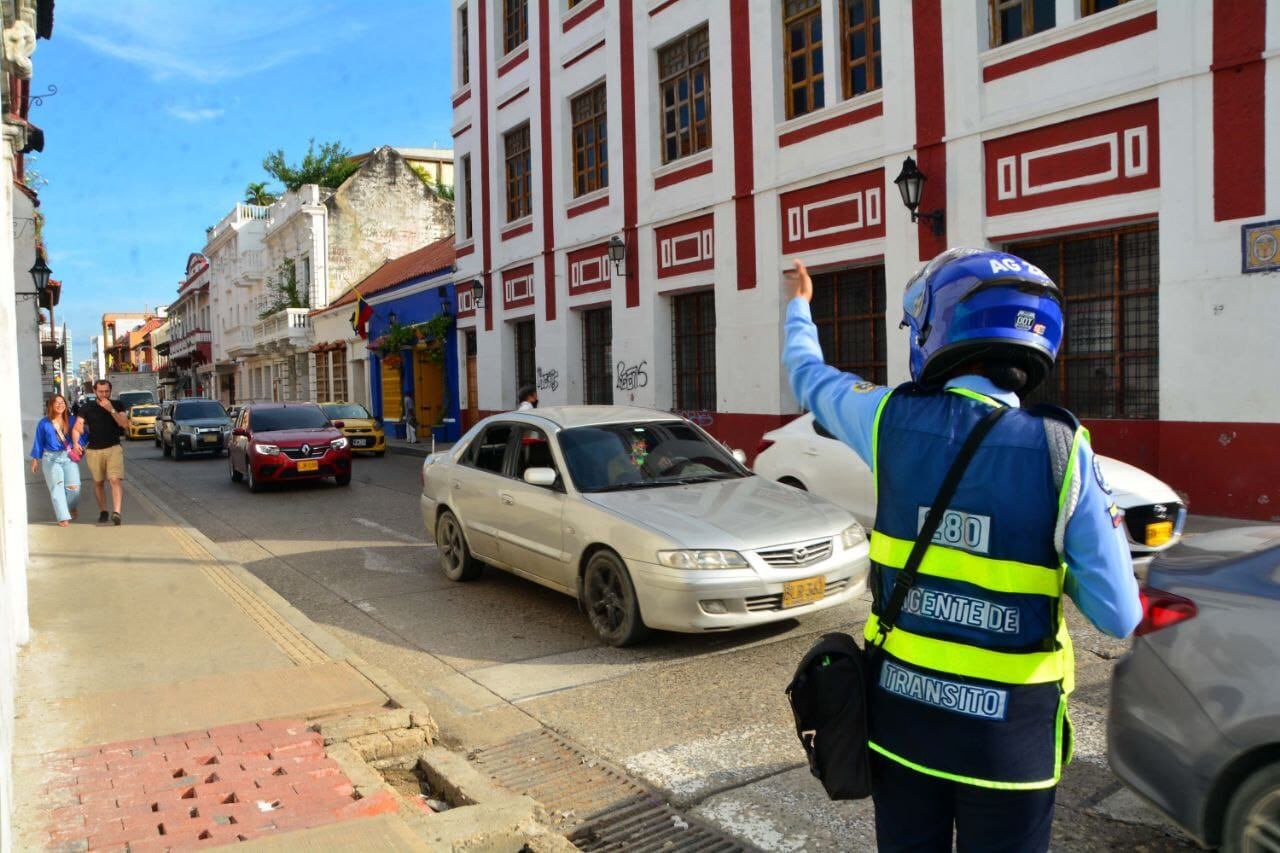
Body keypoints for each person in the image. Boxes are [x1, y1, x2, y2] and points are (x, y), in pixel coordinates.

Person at [783, 250, 1141, 853]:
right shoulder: (1063, 451)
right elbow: (1119, 613)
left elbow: (807, 373)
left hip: (901, 725)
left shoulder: (887, 419)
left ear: (937, 328)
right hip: (1011, 744)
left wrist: (799, 305)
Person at [72, 378, 129, 526]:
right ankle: (103, 511)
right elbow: (78, 426)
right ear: (95, 391)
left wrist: (111, 409)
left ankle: (117, 513)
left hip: (114, 448)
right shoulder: (86, 407)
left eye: (107, 391)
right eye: (101, 391)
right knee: (98, 482)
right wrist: (76, 442)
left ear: (111, 391)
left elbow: (124, 424)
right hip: (94, 450)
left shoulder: (117, 404)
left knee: (115, 479)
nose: (104, 394)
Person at [29, 394, 84, 527]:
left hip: (68, 457)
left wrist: (78, 444)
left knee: (74, 488)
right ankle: (62, 516)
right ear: (51, 406)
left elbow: (81, 433)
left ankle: (71, 506)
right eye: (57, 403)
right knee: (57, 487)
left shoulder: (71, 420)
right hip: (50, 458)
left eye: (62, 402)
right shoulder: (44, 422)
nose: (60, 405)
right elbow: (38, 441)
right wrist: (35, 459)